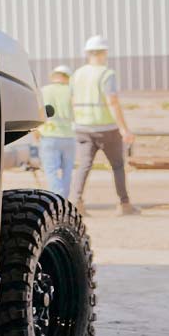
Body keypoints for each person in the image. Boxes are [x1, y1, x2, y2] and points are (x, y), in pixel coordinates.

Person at [69, 34, 139, 215]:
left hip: (82, 127)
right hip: (106, 128)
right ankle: (124, 204)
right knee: (117, 166)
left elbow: (72, 100)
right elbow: (112, 102)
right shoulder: (106, 74)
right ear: (104, 53)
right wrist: (124, 129)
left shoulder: (77, 74)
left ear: (87, 53)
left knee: (84, 166)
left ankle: (76, 202)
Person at [37, 64, 76, 197]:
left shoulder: (44, 90)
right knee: (67, 171)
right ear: (67, 77)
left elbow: (39, 112)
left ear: (53, 76)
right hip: (69, 135)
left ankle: (57, 196)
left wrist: (36, 131)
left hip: (48, 135)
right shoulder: (71, 91)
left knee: (51, 171)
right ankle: (64, 198)